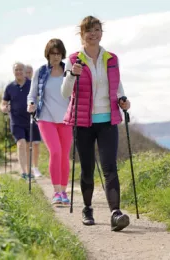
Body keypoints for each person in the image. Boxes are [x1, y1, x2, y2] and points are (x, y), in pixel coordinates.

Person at [61, 15, 131, 231]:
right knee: (88, 169)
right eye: (88, 30)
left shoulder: (111, 58)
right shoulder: (74, 60)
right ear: (82, 35)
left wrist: (123, 100)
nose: (93, 34)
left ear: (101, 33)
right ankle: (88, 208)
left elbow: (117, 85)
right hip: (83, 122)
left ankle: (115, 213)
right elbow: (65, 93)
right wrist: (72, 75)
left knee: (110, 167)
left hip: (108, 119)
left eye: (97, 29)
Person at [27, 39, 72, 205]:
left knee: (64, 155)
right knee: (55, 152)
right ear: (48, 54)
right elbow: (32, 95)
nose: (56, 56)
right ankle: (56, 192)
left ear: (62, 54)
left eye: (58, 53)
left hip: (66, 119)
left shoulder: (69, 71)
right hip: (46, 118)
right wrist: (30, 104)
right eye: (53, 53)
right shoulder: (41, 72)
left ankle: (64, 191)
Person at [0, 62, 42, 180]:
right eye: (16, 70)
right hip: (16, 121)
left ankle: (29, 172)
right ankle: (24, 172)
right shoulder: (10, 87)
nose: (18, 72)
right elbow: (3, 103)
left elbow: (39, 97)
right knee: (21, 143)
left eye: (20, 70)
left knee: (29, 145)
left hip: (30, 120)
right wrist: (4, 108)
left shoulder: (31, 85)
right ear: (14, 72)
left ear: (24, 72)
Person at [25, 63, 42, 174]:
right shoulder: (21, 84)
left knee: (36, 143)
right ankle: (28, 167)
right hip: (24, 118)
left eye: (30, 72)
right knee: (27, 144)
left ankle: (35, 167)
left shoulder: (36, 84)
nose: (28, 74)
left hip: (36, 117)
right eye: (26, 72)